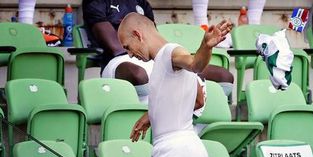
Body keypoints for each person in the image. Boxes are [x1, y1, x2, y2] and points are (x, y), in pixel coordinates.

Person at [118, 13, 234, 157]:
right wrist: (152, 115)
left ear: (139, 35)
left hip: (173, 154)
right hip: (193, 149)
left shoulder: (169, 53)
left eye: (128, 47)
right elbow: (198, 101)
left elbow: (194, 63)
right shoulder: (166, 60)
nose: (130, 54)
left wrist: (205, 46)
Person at [82, 0, 234, 103]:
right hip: (117, 61)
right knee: (139, 74)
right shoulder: (96, 1)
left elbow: (151, 36)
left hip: (149, 59)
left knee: (223, 76)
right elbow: (117, 47)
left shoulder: (141, 2)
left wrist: (166, 61)